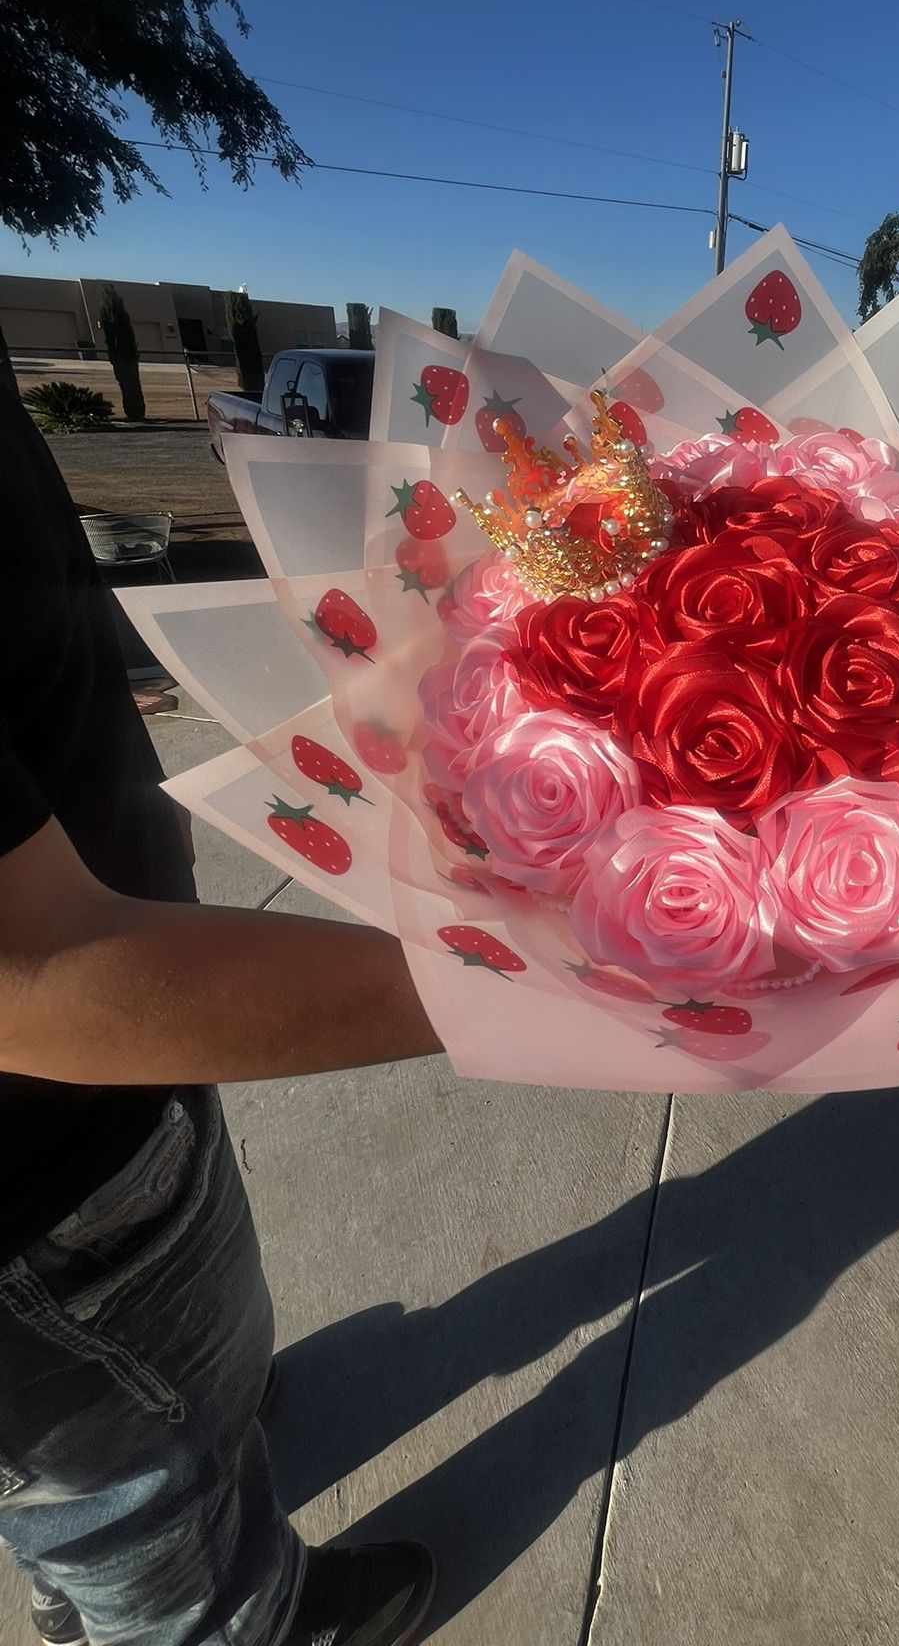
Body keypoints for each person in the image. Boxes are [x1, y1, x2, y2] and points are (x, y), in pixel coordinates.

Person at [0, 367, 445, 1646]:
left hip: (105, 1119)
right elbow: (28, 969)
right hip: (42, 1196)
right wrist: (527, 993)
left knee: (164, 1399)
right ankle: (243, 1614)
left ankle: (108, 1532)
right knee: (141, 1523)